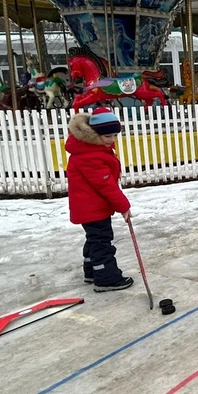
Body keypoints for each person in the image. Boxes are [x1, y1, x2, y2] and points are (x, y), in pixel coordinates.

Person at [65, 107, 134, 292]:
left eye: (114, 136)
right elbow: (106, 185)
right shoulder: (90, 155)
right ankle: (106, 278)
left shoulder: (89, 149)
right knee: (102, 242)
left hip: (90, 206)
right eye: (107, 136)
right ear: (94, 134)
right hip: (92, 208)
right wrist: (123, 206)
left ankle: (92, 272)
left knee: (94, 239)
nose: (112, 140)